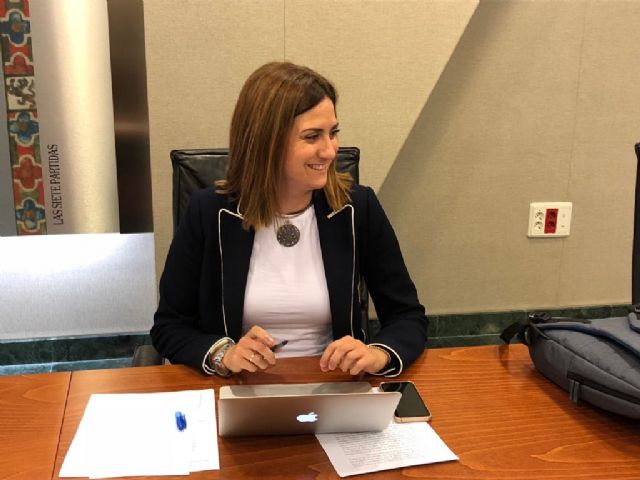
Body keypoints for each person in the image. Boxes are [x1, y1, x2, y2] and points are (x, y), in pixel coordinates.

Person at [152, 61, 427, 377]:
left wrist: (378, 354)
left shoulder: (357, 208)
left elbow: (407, 316)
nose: (330, 151)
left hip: (335, 385)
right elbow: (170, 326)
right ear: (266, 142)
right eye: (312, 136)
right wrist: (223, 354)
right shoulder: (208, 212)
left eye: (333, 133)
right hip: (239, 387)